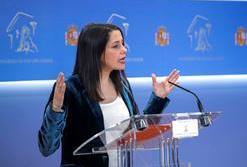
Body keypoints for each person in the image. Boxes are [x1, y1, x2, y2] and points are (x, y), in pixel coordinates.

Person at [38, 23, 180, 167]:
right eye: (116, 46)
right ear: (96, 51)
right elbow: (47, 148)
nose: (124, 50)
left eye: (123, 44)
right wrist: (56, 109)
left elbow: (139, 131)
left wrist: (158, 99)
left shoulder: (123, 86)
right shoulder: (70, 89)